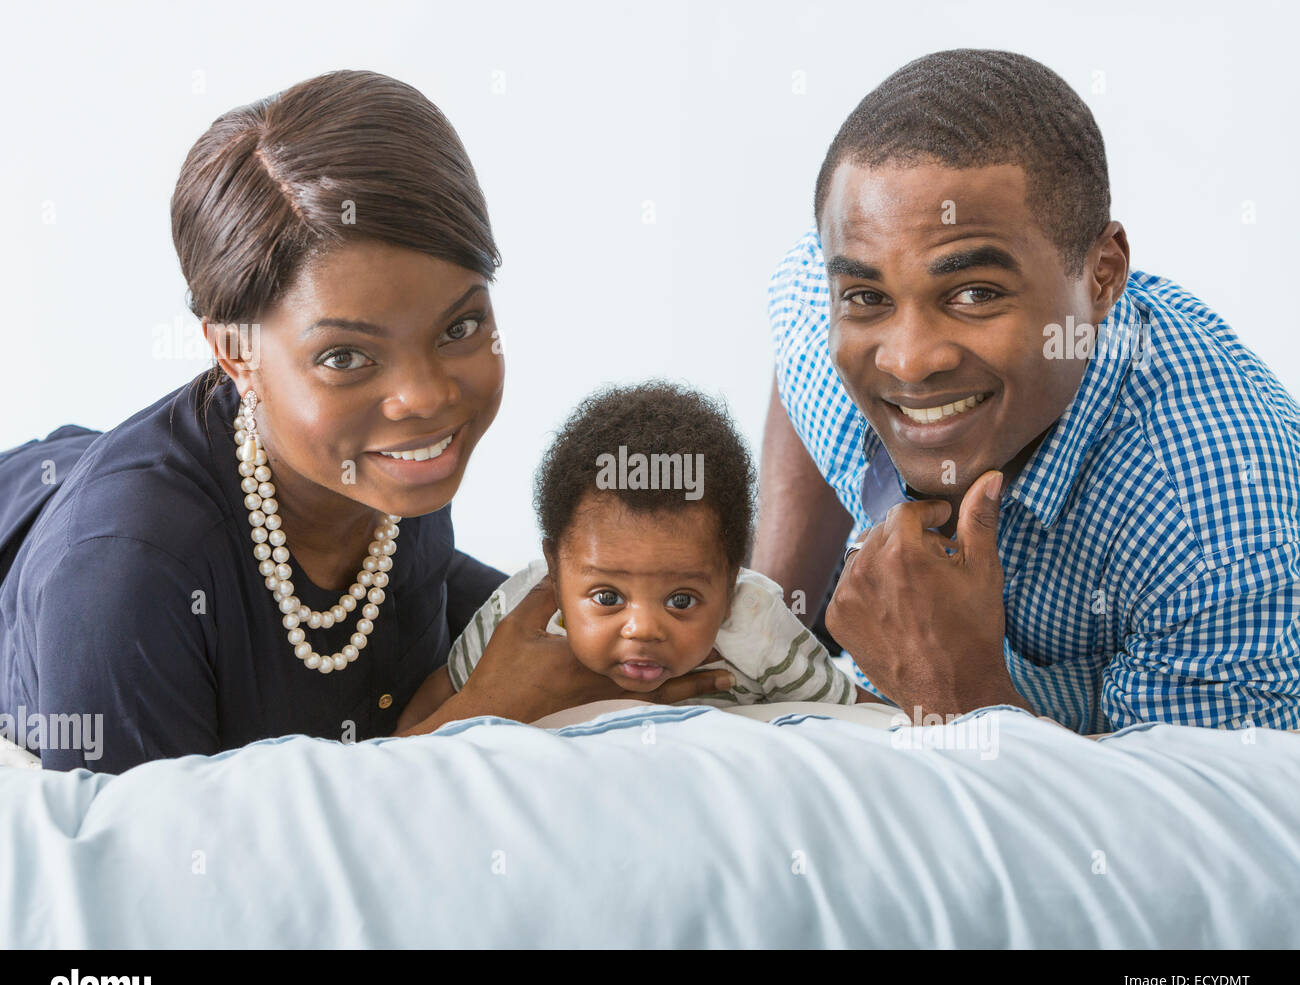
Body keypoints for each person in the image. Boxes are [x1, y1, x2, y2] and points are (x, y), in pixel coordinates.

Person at [0, 70, 726, 774]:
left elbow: (443, 600)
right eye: (346, 356)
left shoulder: (382, 475)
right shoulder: (123, 578)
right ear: (235, 351)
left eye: (459, 326)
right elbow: (164, 881)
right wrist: (484, 715)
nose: (426, 397)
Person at [753, 49, 1300, 734]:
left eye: (974, 293)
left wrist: (950, 689)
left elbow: (1174, 836)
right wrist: (772, 618)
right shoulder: (823, 295)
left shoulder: (1215, 532)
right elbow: (796, 337)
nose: (909, 360)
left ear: (1102, 275)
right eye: (868, 296)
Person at [396, 382, 864, 736]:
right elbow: (446, 693)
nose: (642, 628)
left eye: (681, 600)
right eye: (607, 596)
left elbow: (856, 715)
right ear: (555, 576)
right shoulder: (518, 616)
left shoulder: (756, 625)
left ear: (730, 585)